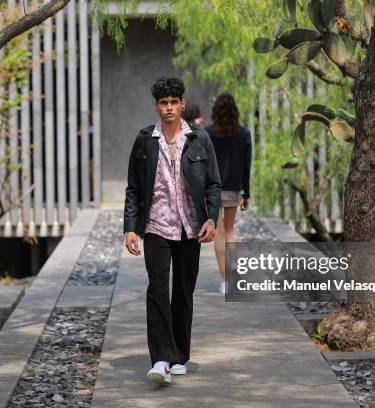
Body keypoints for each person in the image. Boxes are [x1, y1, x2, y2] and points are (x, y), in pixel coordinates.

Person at [123, 76, 222, 385]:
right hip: (156, 226)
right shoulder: (144, 140)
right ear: (157, 106)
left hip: (190, 227)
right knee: (156, 289)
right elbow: (133, 188)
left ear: (181, 104)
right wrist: (130, 228)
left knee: (182, 291)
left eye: (173, 103)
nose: (168, 108)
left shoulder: (200, 139)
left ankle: (179, 356)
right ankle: (161, 358)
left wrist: (212, 219)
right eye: (163, 103)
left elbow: (213, 185)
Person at [204, 92, 252, 295]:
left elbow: (203, 163)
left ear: (215, 111)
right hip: (233, 188)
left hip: (212, 189)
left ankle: (225, 281)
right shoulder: (243, 133)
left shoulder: (207, 133)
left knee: (219, 234)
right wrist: (246, 192)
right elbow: (246, 165)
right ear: (235, 111)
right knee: (230, 232)